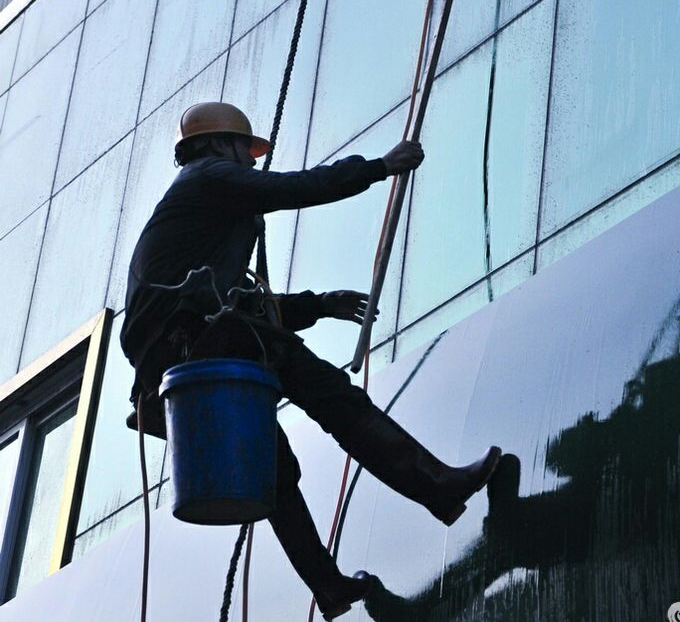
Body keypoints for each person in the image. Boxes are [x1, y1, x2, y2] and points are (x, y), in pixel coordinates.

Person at [121, 102, 501, 620]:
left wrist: (318, 305)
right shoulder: (209, 178)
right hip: (199, 339)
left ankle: (330, 587)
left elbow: (245, 301)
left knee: (274, 472)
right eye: (245, 151)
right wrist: (379, 167)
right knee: (335, 399)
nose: (251, 163)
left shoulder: (199, 209)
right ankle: (439, 486)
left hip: (182, 349)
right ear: (218, 146)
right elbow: (290, 189)